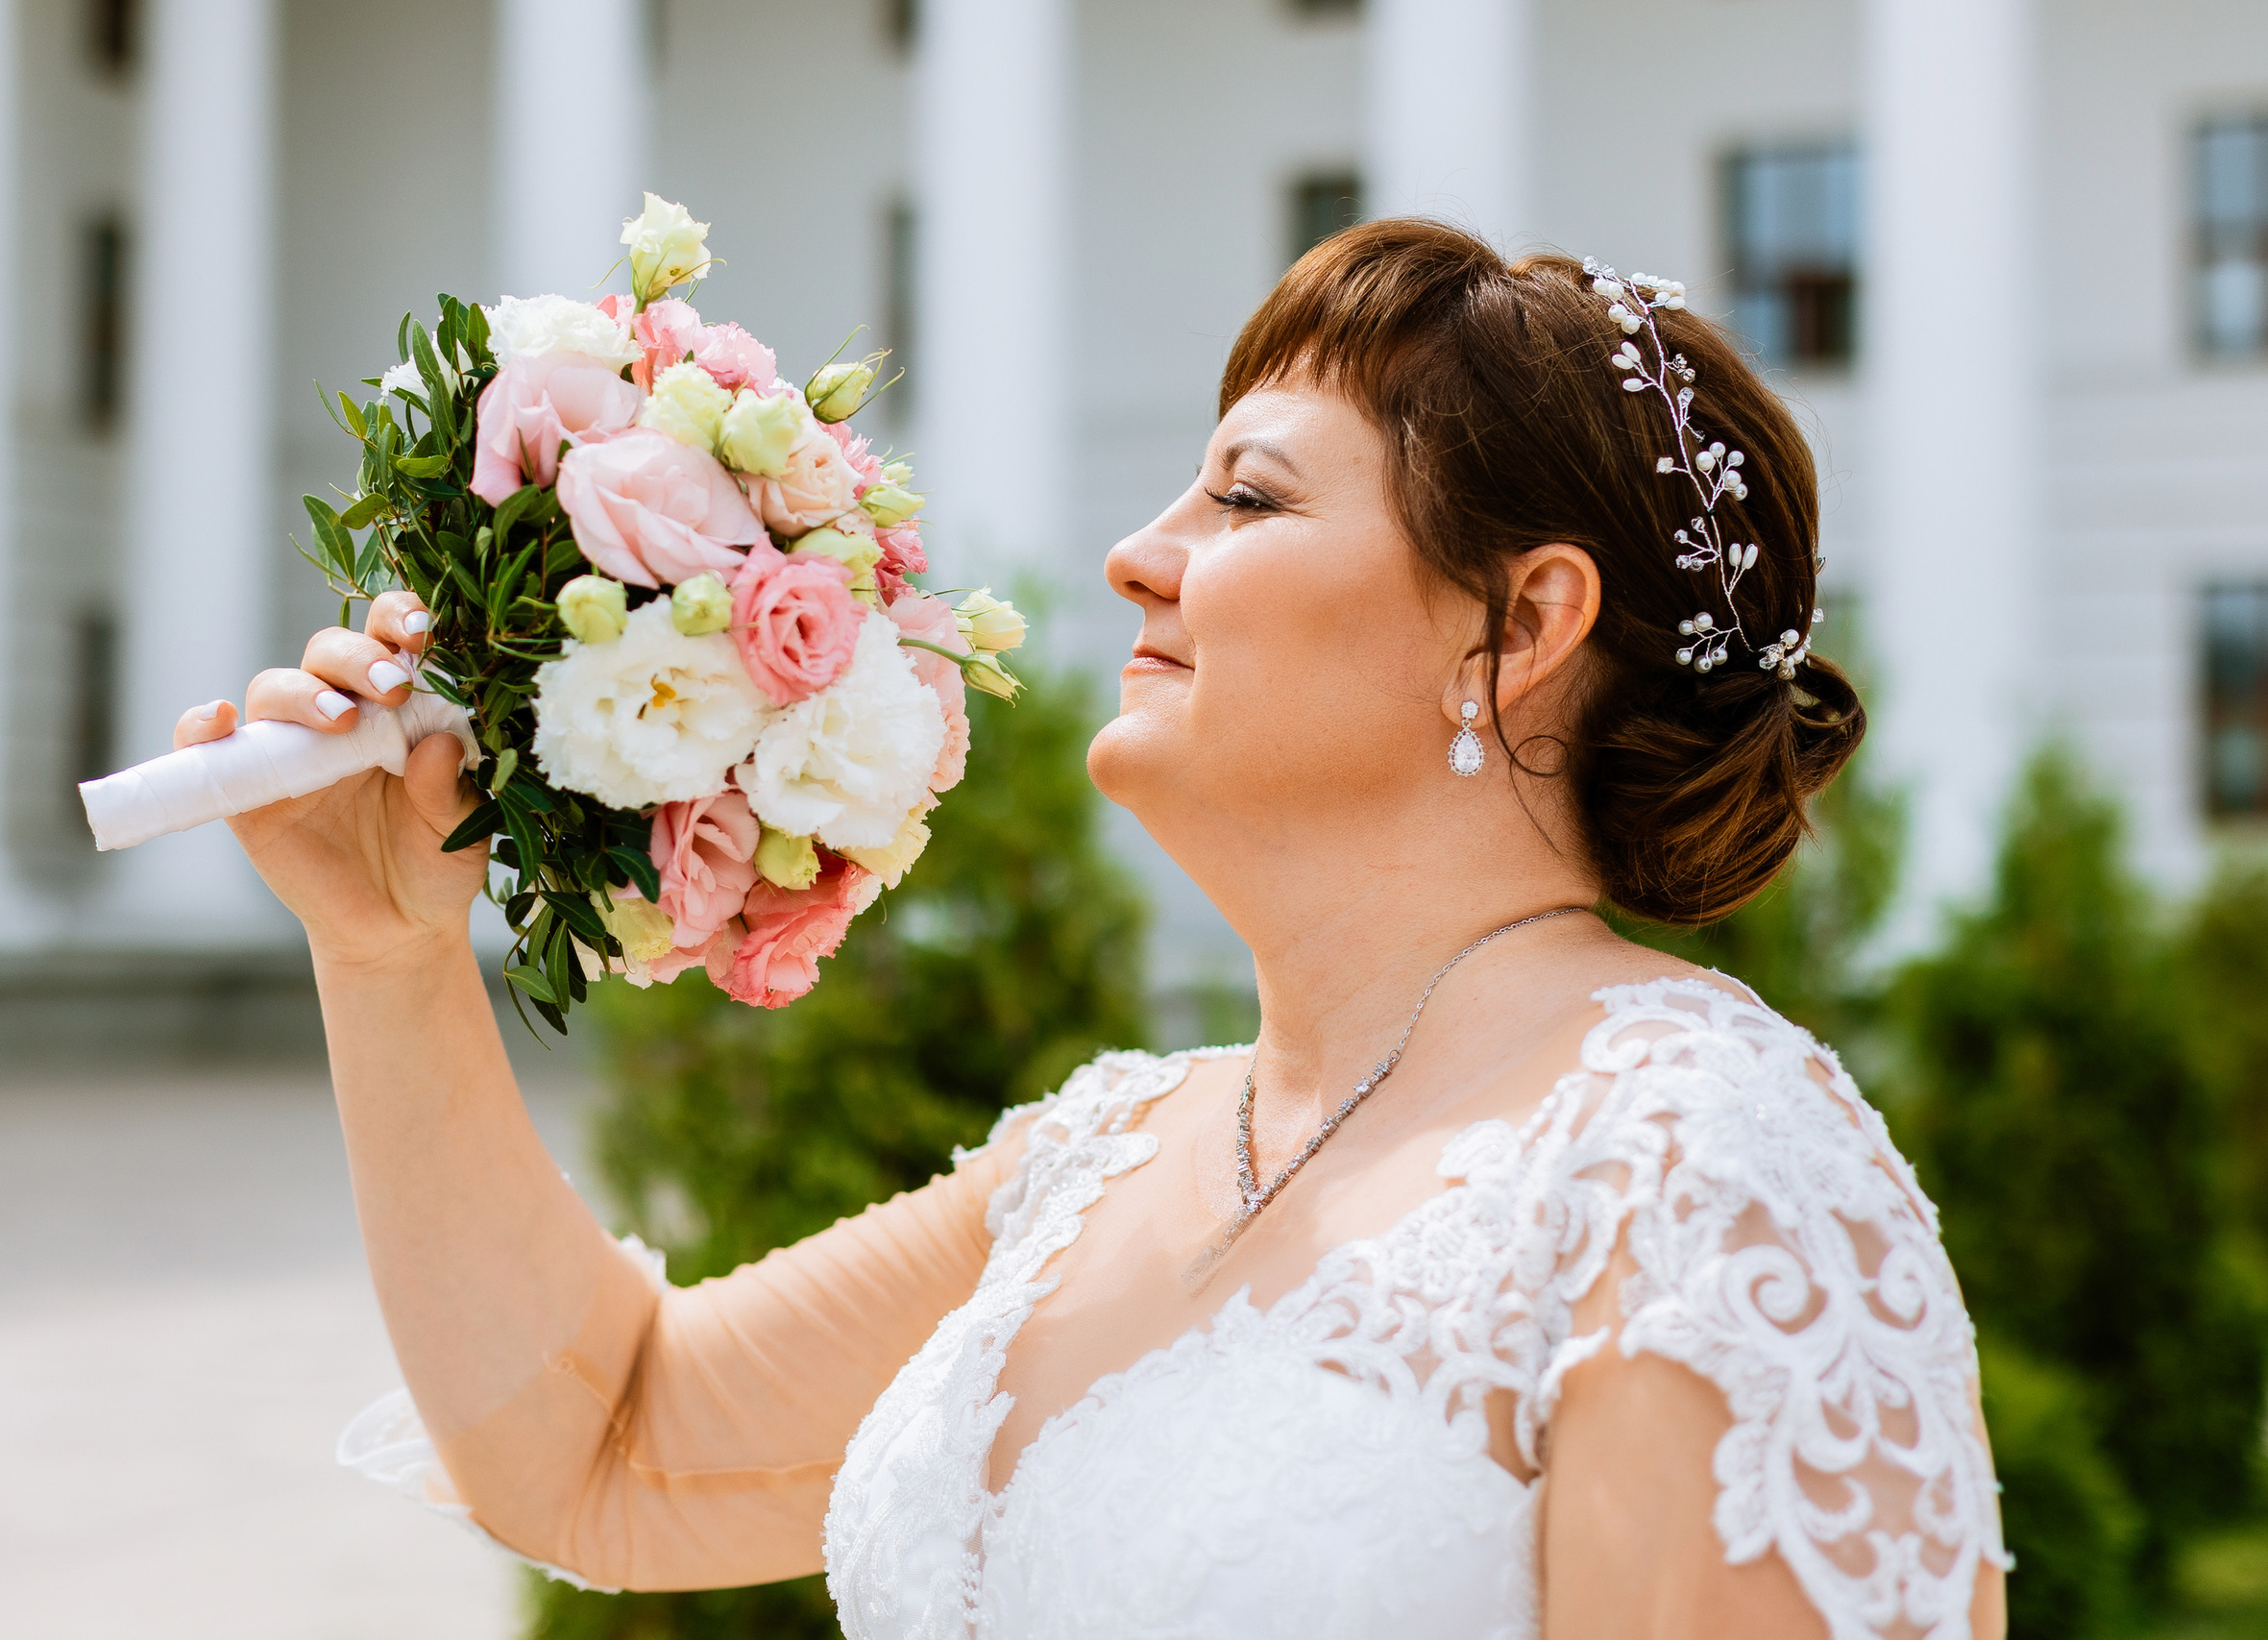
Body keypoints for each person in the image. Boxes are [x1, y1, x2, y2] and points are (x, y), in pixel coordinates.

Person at [175, 219, 2007, 1638]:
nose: (1140, 551)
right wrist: (390, 947)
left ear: (1522, 625)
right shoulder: (1102, 1155)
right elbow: (607, 1447)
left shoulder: (1694, 1169)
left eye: (1251, 493)